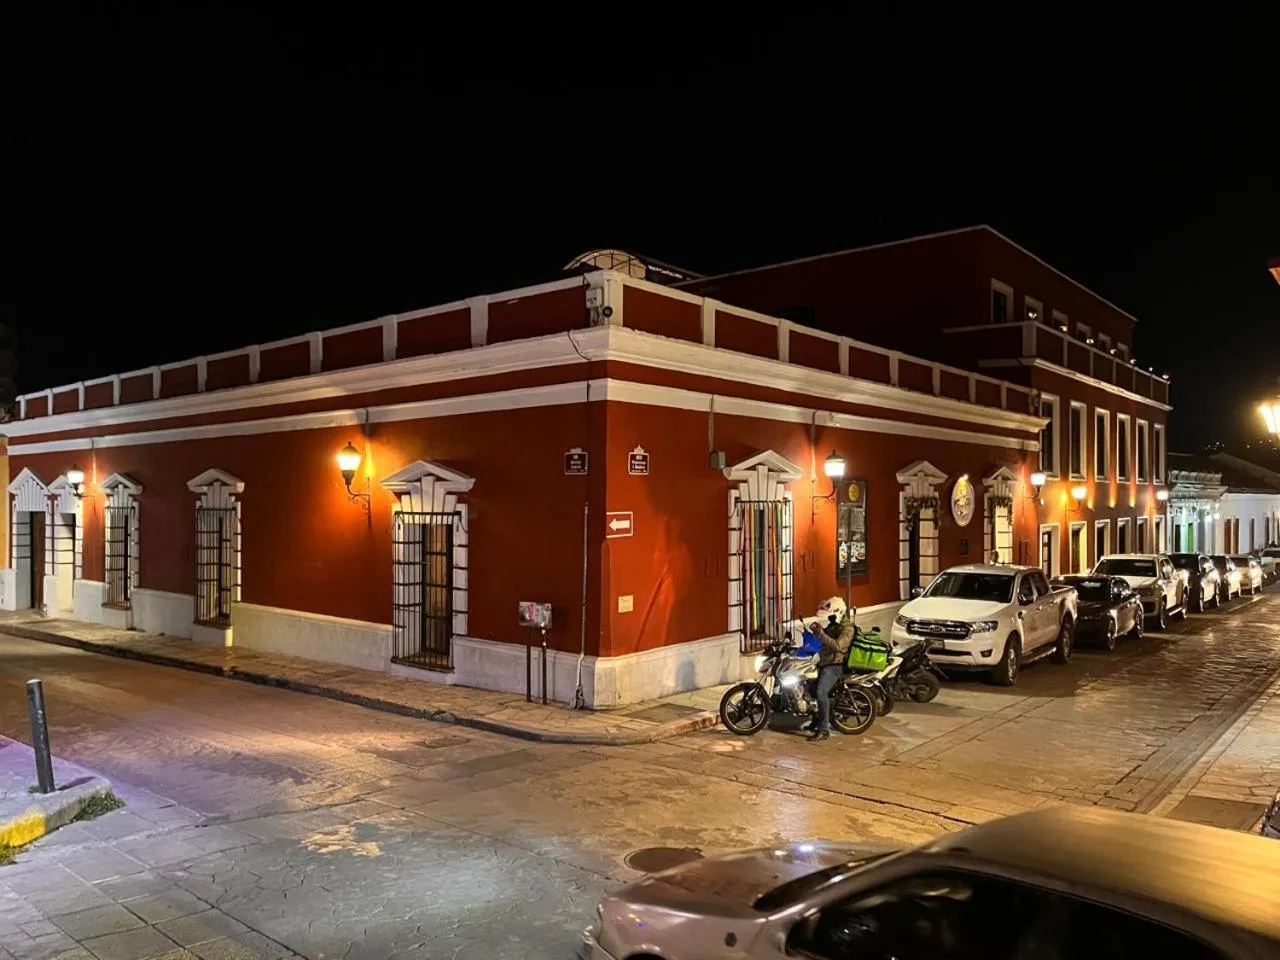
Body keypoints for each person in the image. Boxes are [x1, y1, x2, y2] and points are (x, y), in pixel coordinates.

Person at [810, 596, 853, 742]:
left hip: (835, 665)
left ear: (839, 613)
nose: (830, 619)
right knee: (810, 688)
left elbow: (839, 646)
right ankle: (816, 720)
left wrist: (822, 634)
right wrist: (816, 632)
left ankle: (823, 730)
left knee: (821, 692)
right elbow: (823, 640)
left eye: (832, 615)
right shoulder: (833, 626)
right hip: (824, 662)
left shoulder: (848, 629)